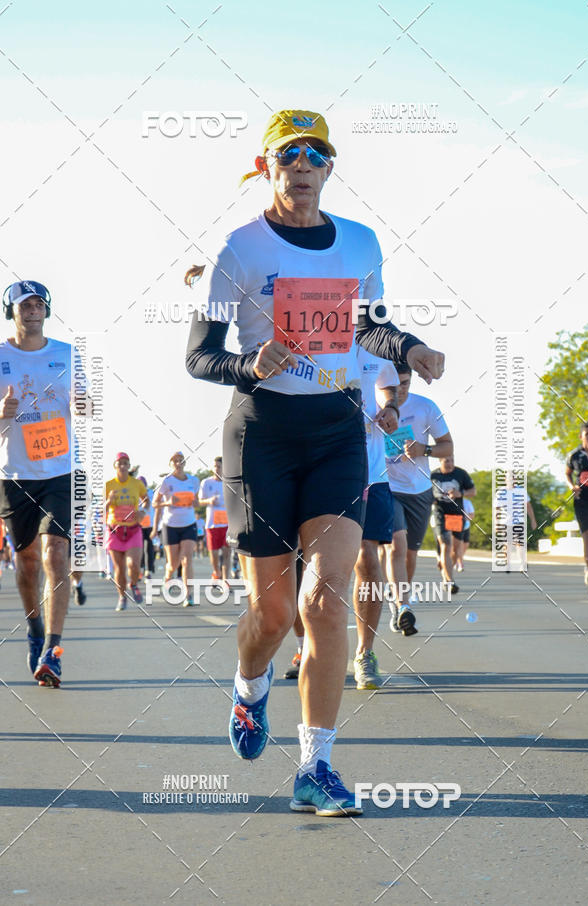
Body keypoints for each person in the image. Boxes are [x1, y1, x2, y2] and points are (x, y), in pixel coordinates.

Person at [186, 109, 444, 816]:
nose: (302, 165)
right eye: (289, 154)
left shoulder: (360, 242)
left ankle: (315, 766)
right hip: (262, 435)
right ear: (266, 165)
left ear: (330, 167)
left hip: (337, 432)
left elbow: (370, 327)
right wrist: (247, 363)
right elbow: (199, 356)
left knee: (325, 598)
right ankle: (249, 688)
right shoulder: (239, 249)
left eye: (315, 154)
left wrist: (411, 348)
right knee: (272, 615)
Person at [0, 280, 83, 686]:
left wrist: (84, 406)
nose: (32, 310)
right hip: (15, 474)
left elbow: (87, 407)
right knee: (27, 561)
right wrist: (2, 412)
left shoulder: (67, 354)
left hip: (61, 470)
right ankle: (34, 628)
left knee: (55, 553)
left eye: (38, 304)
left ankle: (53, 648)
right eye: (24, 305)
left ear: (46, 310)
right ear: (11, 312)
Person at [382, 363, 453, 616]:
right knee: (396, 545)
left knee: (410, 554)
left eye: (405, 384)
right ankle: (404, 606)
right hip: (387, 487)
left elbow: (447, 447)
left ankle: (399, 599)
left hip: (420, 491)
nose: (399, 390)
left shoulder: (425, 407)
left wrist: (424, 449)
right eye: (394, 385)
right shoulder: (373, 406)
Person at [352, 348, 401, 690]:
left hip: (371, 473)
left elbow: (389, 386)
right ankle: (303, 645)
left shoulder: (374, 339)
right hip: (317, 470)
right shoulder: (310, 332)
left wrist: (391, 408)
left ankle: (364, 652)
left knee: (367, 560)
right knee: (312, 565)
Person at [152, 453, 200, 607]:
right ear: (170, 464)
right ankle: (168, 577)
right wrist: (168, 503)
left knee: (187, 560)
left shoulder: (194, 480)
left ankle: (188, 595)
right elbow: (154, 504)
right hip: (170, 525)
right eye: (175, 461)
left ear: (184, 463)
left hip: (189, 524)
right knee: (173, 564)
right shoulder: (166, 481)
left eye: (181, 460)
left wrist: (196, 502)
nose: (178, 463)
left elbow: (197, 502)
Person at [105, 452, 148, 610]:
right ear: (115, 466)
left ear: (129, 466)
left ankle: (134, 584)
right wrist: (109, 501)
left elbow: (146, 500)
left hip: (133, 530)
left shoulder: (136, 484)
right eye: (120, 463)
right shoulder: (109, 485)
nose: (122, 466)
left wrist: (143, 511)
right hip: (115, 531)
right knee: (119, 568)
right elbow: (100, 508)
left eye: (125, 463)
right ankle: (122, 597)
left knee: (133, 564)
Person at [430, 455, 476, 593]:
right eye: (446, 461)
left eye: (452, 460)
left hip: (456, 515)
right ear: (440, 461)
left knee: (455, 550)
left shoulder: (460, 474)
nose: (450, 463)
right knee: (446, 545)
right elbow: (424, 492)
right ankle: (449, 581)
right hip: (440, 514)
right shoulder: (433, 476)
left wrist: (460, 493)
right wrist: (430, 500)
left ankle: (445, 571)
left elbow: (473, 491)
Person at [566, 422, 588, 592]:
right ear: (581, 436)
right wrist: (572, 486)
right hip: (582, 501)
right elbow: (567, 473)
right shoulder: (574, 455)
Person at [198, 457, 230, 584]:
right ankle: (216, 572)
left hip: (227, 524)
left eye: (219, 466)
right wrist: (209, 501)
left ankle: (226, 581)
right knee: (214, 554)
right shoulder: (206, 483)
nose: (217, 469)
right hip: (212, 524)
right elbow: (199, 501)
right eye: (215, 466)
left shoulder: (229, 482)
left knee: (227, 553)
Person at [138, 476, 155, 579]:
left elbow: (154, 507)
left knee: (149, 548)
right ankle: (140, 569)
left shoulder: (151, 493)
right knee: (138, 549)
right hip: (138, 524)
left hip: (149, 525)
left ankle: (148, 570)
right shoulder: (135, 493)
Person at [454, 497, 474, 572]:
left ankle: (456, 560)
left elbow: (472, 515)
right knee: (459, 544)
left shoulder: (467, 502)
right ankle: (460, 563)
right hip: (456, 526)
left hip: (466, 526)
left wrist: (465, 518)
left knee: (465, 545)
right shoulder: (451, 502)